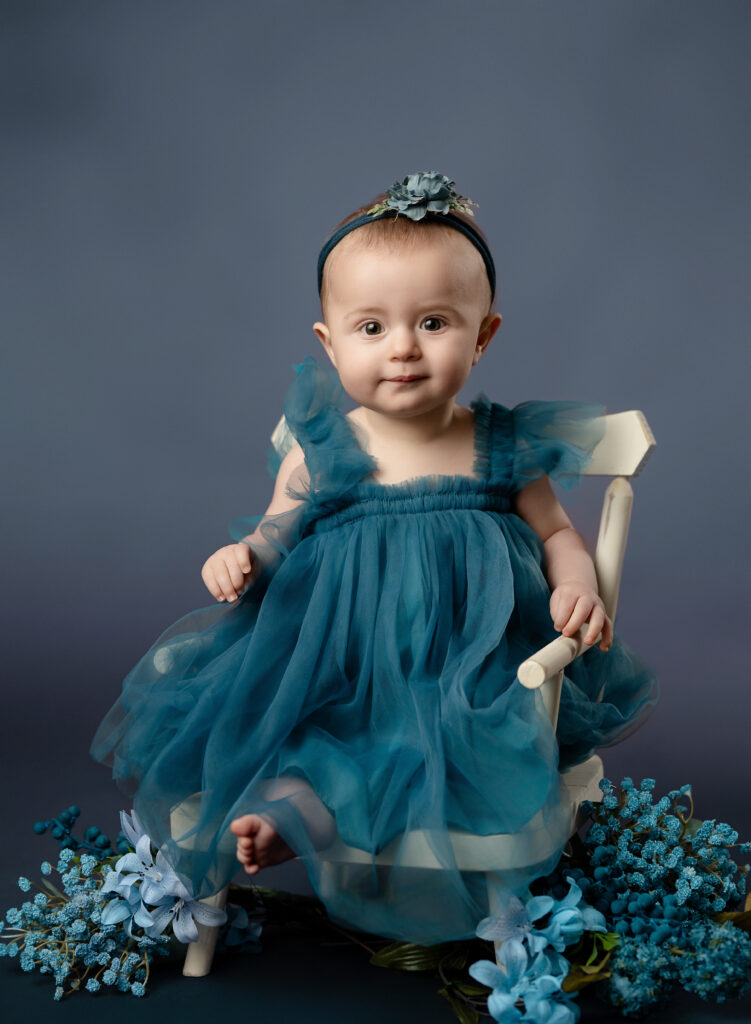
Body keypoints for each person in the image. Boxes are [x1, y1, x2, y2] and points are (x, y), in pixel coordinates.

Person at [90, 172, 659, 945]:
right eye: (370, 328)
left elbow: (558, 534)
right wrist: (245, 556)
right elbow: (274, 531)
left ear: (483, 335)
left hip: (472, 666)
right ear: (328, 341)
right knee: (321, 730)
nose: (401, 348)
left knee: (455, 745)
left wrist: (576, 588)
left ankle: (310, 810)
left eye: (432, 322)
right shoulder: (323, 448)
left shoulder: (500, 445)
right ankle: (293, 811)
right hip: (337, 660)